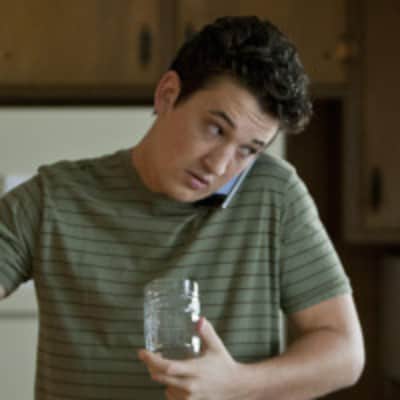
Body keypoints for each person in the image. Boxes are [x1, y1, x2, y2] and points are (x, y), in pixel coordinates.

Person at [0, 16, 364, 400]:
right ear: (168, 94)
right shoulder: (55, 197)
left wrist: (237, 385)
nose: (219, 166)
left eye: (247, 150)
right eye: (216, 129)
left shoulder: (274, 194)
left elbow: (344, 352)